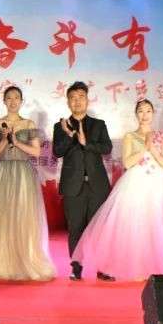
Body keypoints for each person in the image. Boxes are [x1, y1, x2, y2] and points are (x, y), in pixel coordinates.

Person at [70, 99, 163, 281]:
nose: (145, 115)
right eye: (141, 111)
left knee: (155, 224)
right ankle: (132, 266)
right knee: (135, 225)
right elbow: (128, 163)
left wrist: (153, 149)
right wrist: (145, 147)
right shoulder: (130, 136)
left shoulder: (161, 136)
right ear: (136, 114)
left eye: (148, 111)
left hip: (157, 184)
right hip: (136, 183)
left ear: (153, 114)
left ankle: (152, 266)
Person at [0, 86, 56, 281]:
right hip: (3, 172)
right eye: (9, 98)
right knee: (2, 217)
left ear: (21, 101)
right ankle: (2, 262)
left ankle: (24, 260)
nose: (13, 101)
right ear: (4, 101)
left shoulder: (29, 124)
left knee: (23, 217)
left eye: (16, 98)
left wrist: (16, 141)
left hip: (24, 174)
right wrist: (6, 138)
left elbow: (36, 152)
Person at [52, 81, 115, 281]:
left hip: (97, 185)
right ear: (68, 102)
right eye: (73, 98)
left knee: (99, 228)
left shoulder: (98, 124)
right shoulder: (60, 126)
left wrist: (85, 143)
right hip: (73, 186)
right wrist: (70, 135)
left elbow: (106, 148)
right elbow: (57, 151)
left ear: (87, 100)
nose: (77, 101)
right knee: (75, 228)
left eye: (81, 97)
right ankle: (76, 267)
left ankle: (102, 268)